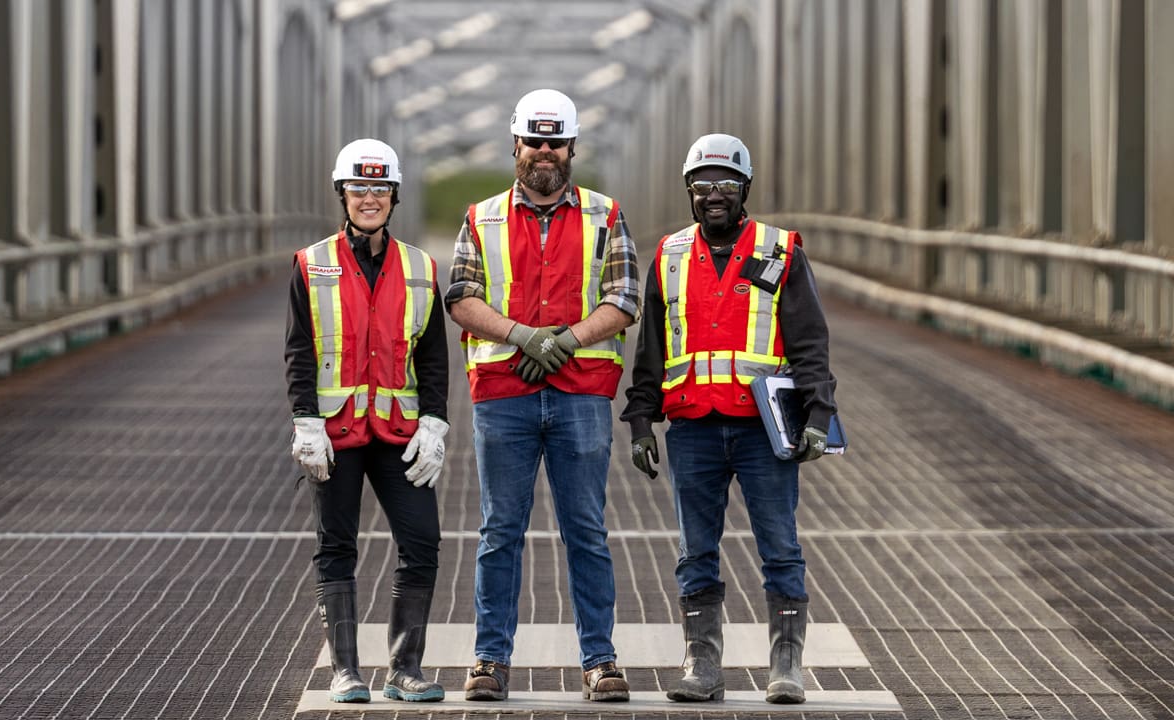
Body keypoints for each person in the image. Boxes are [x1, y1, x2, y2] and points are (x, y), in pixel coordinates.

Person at [620, 133, 837, 705]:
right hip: (692, 426)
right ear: (689, 191)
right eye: (702, 186)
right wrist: (641, 420)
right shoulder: (668, 256)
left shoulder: (779, 250)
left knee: (780, 546)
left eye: (725, 185)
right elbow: (651, 349)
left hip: (764, 428)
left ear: (744, 189)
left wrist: (819, 412)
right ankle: (703, 664)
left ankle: (786, 666)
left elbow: (810, 341)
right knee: (696, 550)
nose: (713, 195)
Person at [445, 88, 640, 703]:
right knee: (500, 530)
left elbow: (624, 298)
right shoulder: (481, 218)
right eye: (535, 141)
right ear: (516, 146)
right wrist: (523, 336)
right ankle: (489, 660)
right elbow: (461, 297)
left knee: (585, 530)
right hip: (504, 394)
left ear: (573, 147)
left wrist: (568, 340)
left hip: (581, 393)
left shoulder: (606, 215)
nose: (545, 152)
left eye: (556, 142)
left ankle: (600, 662)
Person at [285, 138, 450, 704]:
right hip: (334, 434)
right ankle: (345, 671)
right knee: (336, 546)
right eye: (359, 188)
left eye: (380, 189)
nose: (369, 198)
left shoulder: (421, 268)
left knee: (422, 540)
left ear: (394, 195)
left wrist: (435, 423)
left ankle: (405, 669)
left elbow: (432, 355)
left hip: (398, 433)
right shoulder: (312, 264)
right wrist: (305, 419)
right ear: (343, 194)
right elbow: (299, 350)